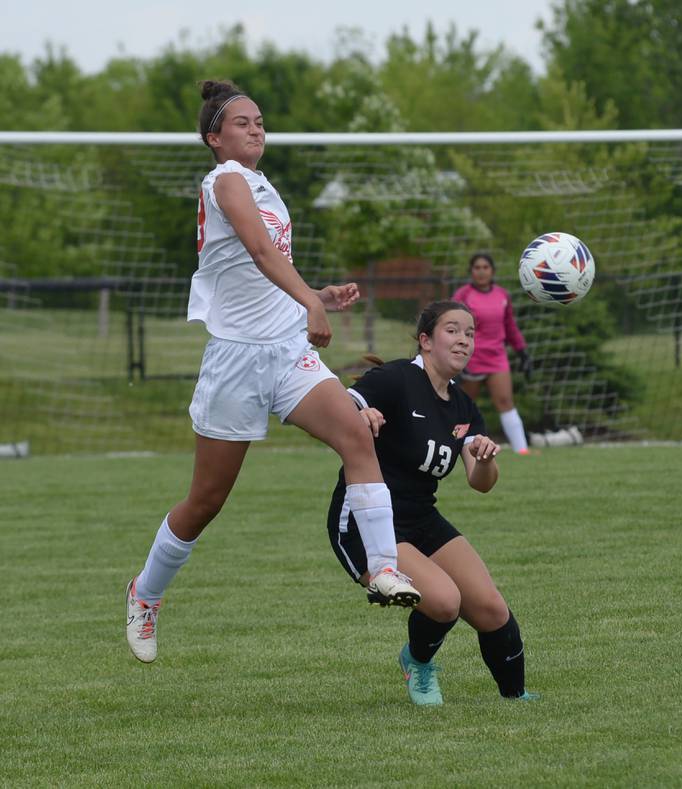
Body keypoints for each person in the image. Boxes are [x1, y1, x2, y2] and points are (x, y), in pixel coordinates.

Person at [125, 80, 420, 664]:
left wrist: (314, 296)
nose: (256, 128)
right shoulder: (224, 180)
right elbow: (260, 253)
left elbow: (268, 268)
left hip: (286, 351)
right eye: (241, 122)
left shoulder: (262, 184)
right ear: (214, 137)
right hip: (235, 361)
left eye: (259, 120)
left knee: (357, 435)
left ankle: (383, 568)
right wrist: (310, 302)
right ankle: (146, 594)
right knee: (206, 500)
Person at [326, 301, 540, 705]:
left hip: (421, 517)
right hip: (366, 520)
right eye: (453, 330)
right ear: (425, 341)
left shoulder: (462, 406)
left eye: (470, 333)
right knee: (444, 602)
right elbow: (335, 404)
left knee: (491, 609)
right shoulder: (396, 379)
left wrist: (485, 460)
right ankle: (417, 663)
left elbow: (481, 484)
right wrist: (362, 410)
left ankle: (516, 699)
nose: (464, 339)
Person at [451, 253, 532, 455]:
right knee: (464, 408)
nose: (481, 271)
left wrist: (522, 351)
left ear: (492, 271)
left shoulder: (502, 295)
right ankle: (451, 447)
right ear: (471, 271)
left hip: (497, 357)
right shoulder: (462, 295)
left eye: (485, 267)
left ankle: (522, 450)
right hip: (471, 357)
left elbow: (510, 326)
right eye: (477, 267)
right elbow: (449, 324)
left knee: (505, 401)